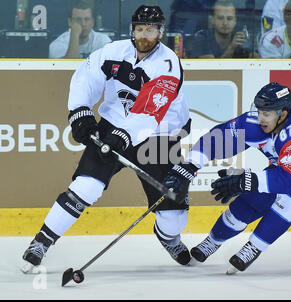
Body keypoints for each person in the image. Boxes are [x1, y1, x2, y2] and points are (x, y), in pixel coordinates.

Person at [22, 5, 194, 272]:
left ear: (161, 33)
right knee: (86, 186)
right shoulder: (114, 52)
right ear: (132, 30)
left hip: (159, 138)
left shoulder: (168, 64)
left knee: (173, 215)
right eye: (140, 29)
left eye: (151, 30)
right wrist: (80, 111)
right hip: (113, 126)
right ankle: (42, 241)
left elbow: (150, 112)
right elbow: (86, 77)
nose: (144, 35)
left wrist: (123, 135)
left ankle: (169, 237)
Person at [163, 82, 291, 273]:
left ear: (283, 113)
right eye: (259, 110)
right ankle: (212, 241)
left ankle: (253, 247)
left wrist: (246, 181)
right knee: (252, 200)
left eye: (267, 113)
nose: (261, 118)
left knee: (289, 201)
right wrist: (190, 165)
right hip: (290, 169)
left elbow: (289, 180)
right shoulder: (258, 122)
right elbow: (218, 139)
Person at [190, 0, 258, 58]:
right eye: (220, 18)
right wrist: (232, 48)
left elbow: (257, 62)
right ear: (212, 20)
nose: (225, 23)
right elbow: (211, 68)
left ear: (235, 21)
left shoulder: (239, 39)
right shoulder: (202, 38)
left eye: (229, 18)